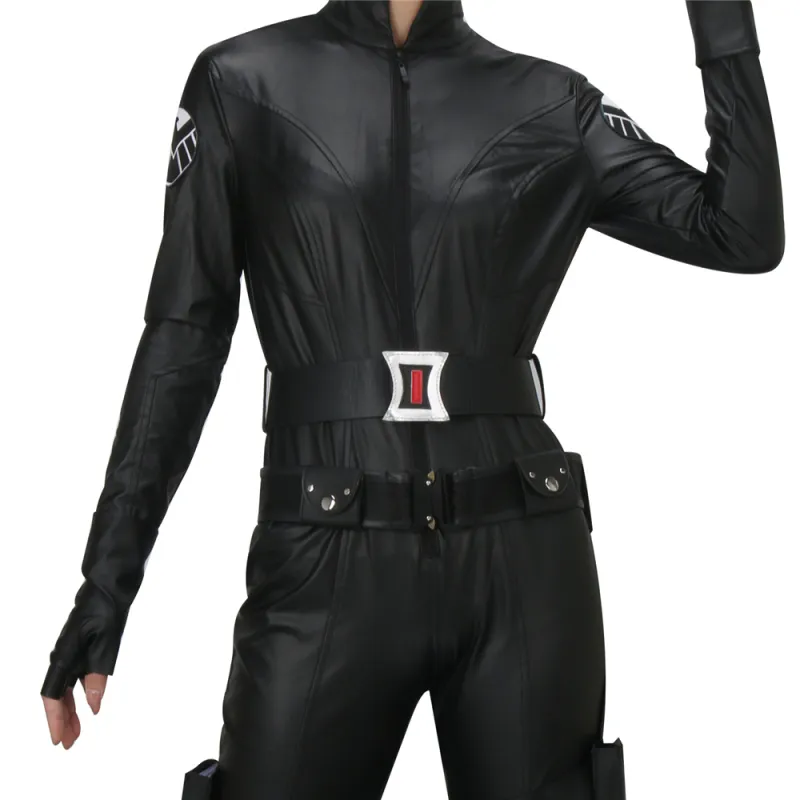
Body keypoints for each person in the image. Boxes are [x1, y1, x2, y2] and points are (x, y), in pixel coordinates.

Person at [41, 1, 784, 799]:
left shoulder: (549, 102)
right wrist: (105, 583)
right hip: (324, 556)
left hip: (523, 563)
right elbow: (183, 342)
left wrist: (718, 15)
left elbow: (741, 232)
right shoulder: (242, 84)